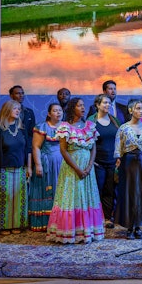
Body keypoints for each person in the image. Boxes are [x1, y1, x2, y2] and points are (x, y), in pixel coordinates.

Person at [47, 97, 105, 244]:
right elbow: (63, 150)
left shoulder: (89, 126)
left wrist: (89, 166)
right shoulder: (65, 127)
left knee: (87, 197)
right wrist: (78, 169)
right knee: (72, 197)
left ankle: (87, 230)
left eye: (83, 105)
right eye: (79, 106)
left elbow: (93, 147)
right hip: (72, 167)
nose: (83, 108)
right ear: (73, 108)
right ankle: (70, 231)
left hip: (87, 167)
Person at [0, 100, 31, 234]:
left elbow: (27, 150)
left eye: (19, 109)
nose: (18, 111)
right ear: (7, 110)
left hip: (20, 170)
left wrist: (29, 167)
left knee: (18, 199)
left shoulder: (22, 130)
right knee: (3, 198)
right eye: (15, 109)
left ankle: (16, 224)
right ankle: (3, 226)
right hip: (3, 170)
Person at [114, 98, 142, 239]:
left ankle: (139, 226)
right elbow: (118, 149)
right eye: (137, 108)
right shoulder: (123, 128)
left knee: (141, 193)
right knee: (128, 193)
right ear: (131, 110)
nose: (140, 111)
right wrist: (119, 160)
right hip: (128, 162)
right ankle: (129, 226)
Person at [28, 102, 65, 232]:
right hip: (47, 163)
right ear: (49, 113)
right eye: (55, 111)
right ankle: (44, 222)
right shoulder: (42, 127)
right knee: (48, 190)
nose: (58, 113)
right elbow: (36, 147)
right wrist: (38, 164)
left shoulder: (66, 127)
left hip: (63, 163)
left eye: (60, 110)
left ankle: (61, 222)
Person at [87, 94, 121, 229]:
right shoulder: (91, 122)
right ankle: (95, 217)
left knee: (110, 190)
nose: (108, 105)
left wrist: (119, 157)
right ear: (97, 105)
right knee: (97, 190)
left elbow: (120, 139)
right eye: (105, 103)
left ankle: (107, 217)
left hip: (113, 162)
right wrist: (91, 160)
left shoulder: (115, 121)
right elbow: (87, 142)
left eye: (109, 103)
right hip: (97, 162)